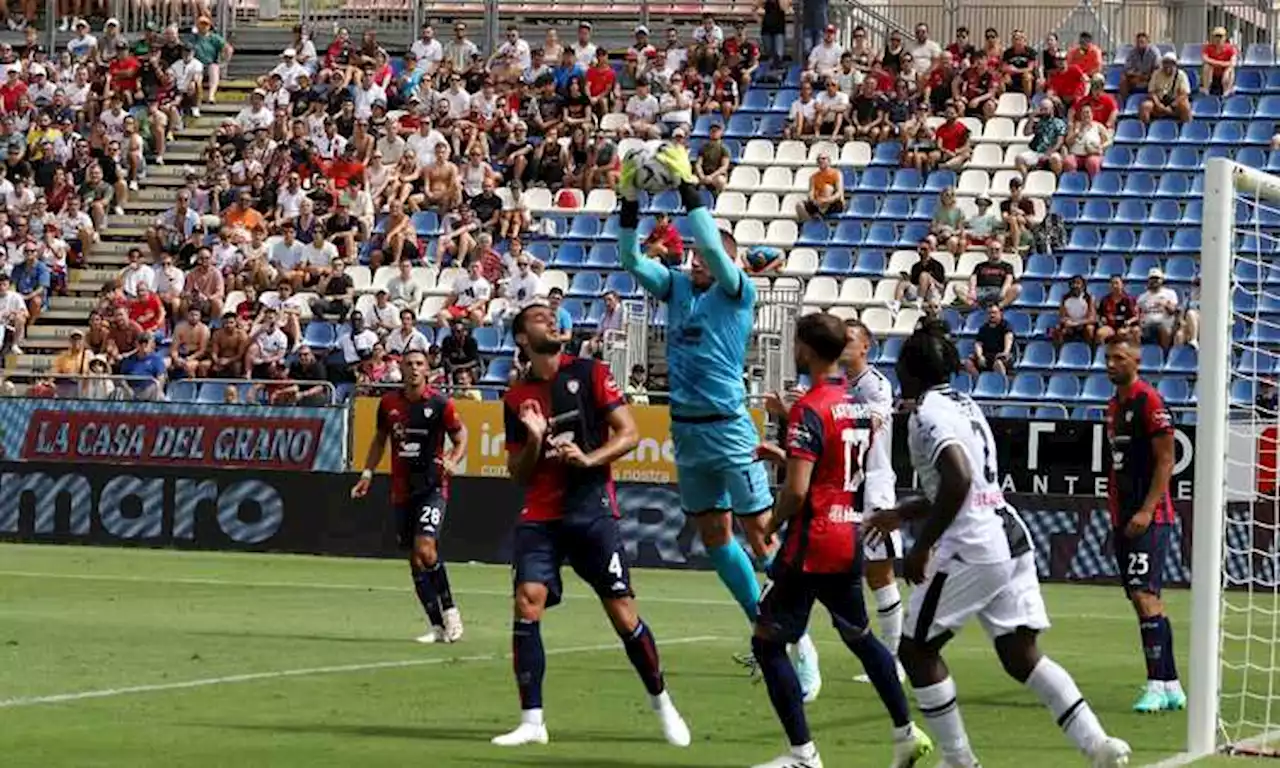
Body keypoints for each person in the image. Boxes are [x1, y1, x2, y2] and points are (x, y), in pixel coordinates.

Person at [865, 320, 1132, 768]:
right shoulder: (964, 403)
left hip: (971, 544)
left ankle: (959, 760)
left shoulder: (927, 412)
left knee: (916, 650)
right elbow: (964, 483)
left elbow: (958, 478)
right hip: (1008, 532)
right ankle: (1098, 743)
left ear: (910, 371)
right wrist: (902, 514)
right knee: (1019, 653)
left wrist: (921, 545)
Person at [617, 143, 822, 698]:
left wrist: (689, 190)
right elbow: (631, 261)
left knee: (759, 534)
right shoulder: (679, 288)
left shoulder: (738, 291)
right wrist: (628, 202)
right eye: (693, 258)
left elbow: (708, 238)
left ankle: (799, 638)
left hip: (731, 425)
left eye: (706, 257)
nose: (695, 261)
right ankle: (764, 620)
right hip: (686, 428)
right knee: (714, 536)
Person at [492, 302, 691, 748]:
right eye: (540, 318)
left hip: (591, 510)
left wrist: (588, 459)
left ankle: (662, 701)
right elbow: (518, 473)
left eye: (553, 316)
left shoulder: (592, 371)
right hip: (540, 515)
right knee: (527, 602)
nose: (552, 320)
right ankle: (532, 720)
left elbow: (629, 433)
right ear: (523, 338)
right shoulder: (514, 397)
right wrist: (536, 439)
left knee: (622, 614)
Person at [750, 313, 932, 768]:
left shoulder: (810, 407)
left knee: (767, 642)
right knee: (860, 635)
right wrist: (787, 454)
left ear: (807, 350)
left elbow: (796, 490)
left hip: (812, 542)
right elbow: (836, 466)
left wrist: (771, 524)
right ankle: (906, 731)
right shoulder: (854, 404)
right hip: (847, 534)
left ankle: (803, 755)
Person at [352, 348, 468, 645]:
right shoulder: (389, 403)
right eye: (408, 364)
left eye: (419, 364)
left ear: (427, 370)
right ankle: (436, 626)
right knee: (415, 561)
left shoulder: (441, 403)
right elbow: (380, 440)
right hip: (402, 490)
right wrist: (367, 474)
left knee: (426, 549)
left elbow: (461, 435)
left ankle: (452, 611)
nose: (414, 369)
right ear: (400, 369)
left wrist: (454, 459)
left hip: (433, 487)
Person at [1104, 337, 1185, 714]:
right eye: (1107, 358)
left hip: (1150, 516)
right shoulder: (1112, 406)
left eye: (1119, 358)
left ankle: (1155, 685)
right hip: (1125, 515)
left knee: (1144, 596)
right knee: (1146, 599)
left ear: (1136, 361)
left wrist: (1147, 510)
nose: (1110, 364)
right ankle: (1170, 684)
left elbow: (1166, 460)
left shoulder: (1148, 401)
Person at [966, 304, 1015, 375]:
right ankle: (979, 382)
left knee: (998, 363)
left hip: (1000, 355)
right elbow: (978, 343)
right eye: (989, 313)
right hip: (987, 356)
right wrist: (980, 356)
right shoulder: (983, 328)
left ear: (1000, 313)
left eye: (994, 313)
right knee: (968, 363)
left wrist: (1005, 352)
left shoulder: (1005, 325)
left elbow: (1009, 338)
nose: (992, 315)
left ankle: (1001, 384)